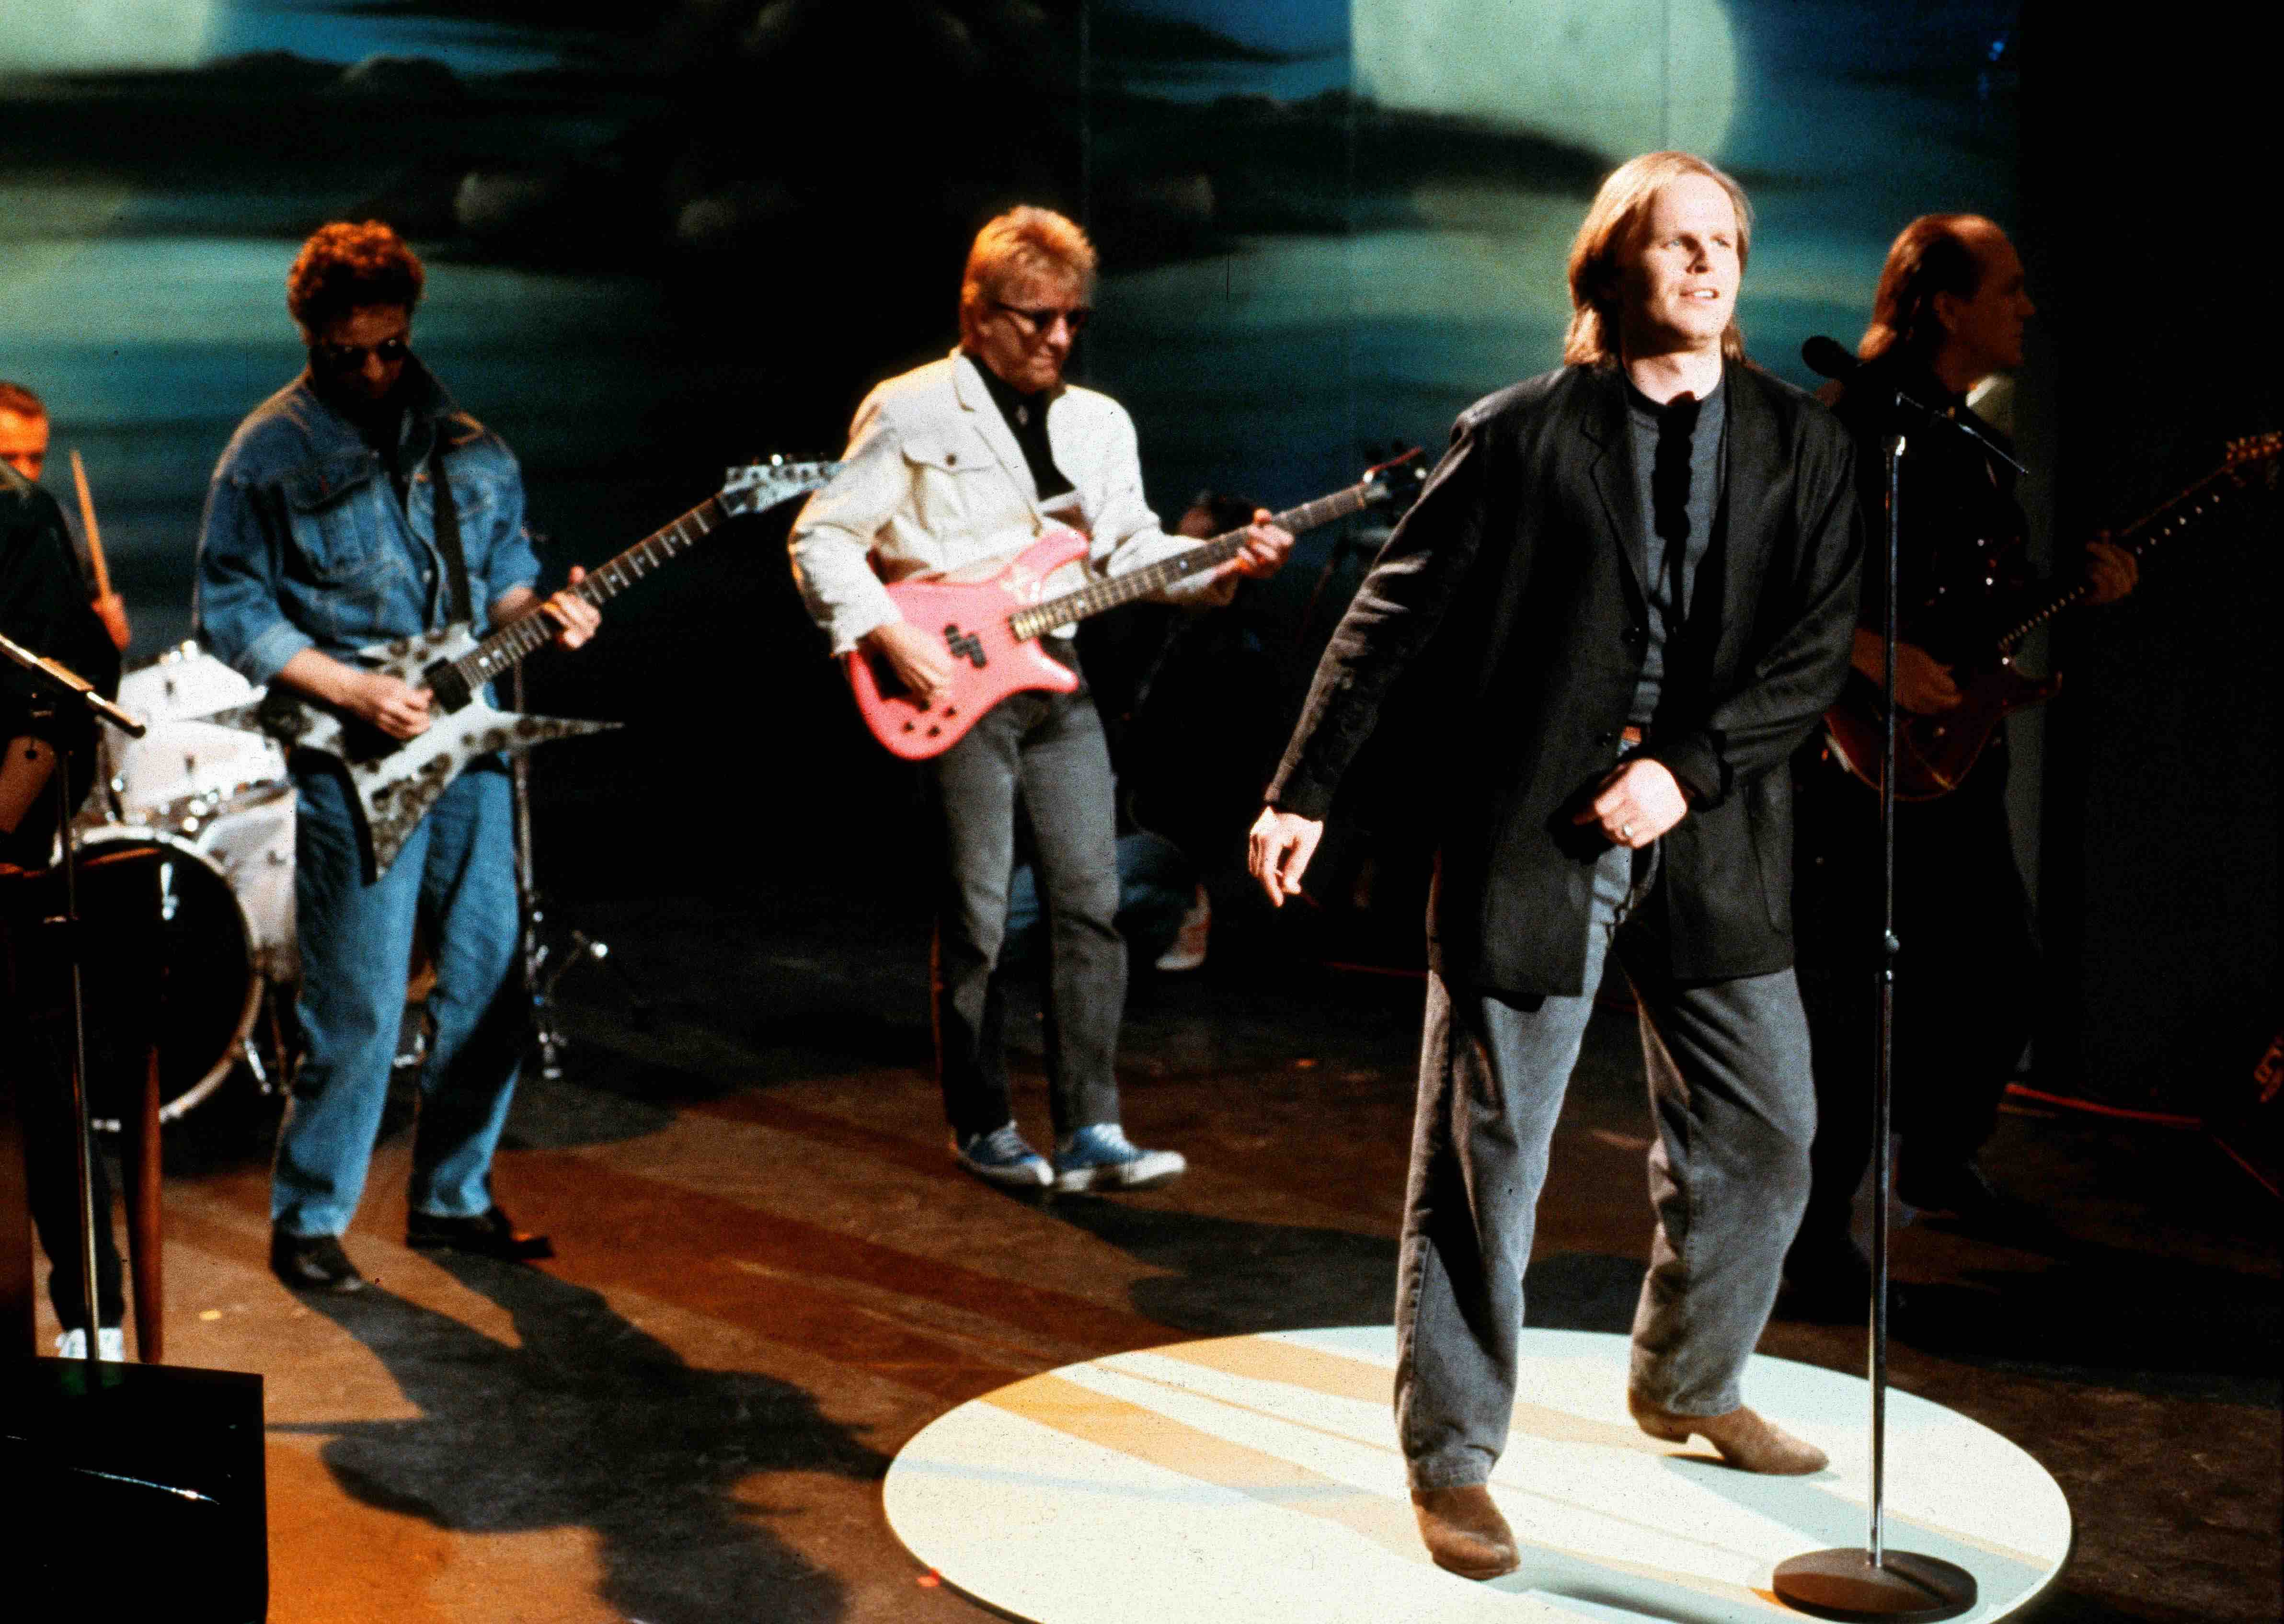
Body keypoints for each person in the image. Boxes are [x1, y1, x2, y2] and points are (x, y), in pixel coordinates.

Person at [1247, 152, 1863, 1580]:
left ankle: (1690, 1379)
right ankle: (1453, 1457)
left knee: (1769, 1131)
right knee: (1487, 1154)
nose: (1705, 265)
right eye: (1675, 242)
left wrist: (1685, 771)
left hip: (1710, 831)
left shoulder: (1801, 444)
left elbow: (1814, 649)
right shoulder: (1521, 432)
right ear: (1610, 266)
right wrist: (1301, 789)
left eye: (1724, 243)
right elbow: (1389, 617)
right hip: (1536, 830)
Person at [789, 206, 1291, 1194]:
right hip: (949, 680)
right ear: (976, 313)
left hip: (1057, 679)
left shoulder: (1098, 423)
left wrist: (1225, 564)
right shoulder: (910, 408)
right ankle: (982, 1122)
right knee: (978, 916)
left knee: (1090, 904)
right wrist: (889, 635)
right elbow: (822, 536)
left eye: (1074, 319)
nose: (1058, 338)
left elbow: (1131, 551)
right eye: (1036, 318)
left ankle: (1092, 1127)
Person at [195, 221, 600, 1293]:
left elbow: (505, 588)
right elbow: (231, 611)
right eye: (347, 354)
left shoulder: (473, 448)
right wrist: (351, 690)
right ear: (311, 337)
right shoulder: (266, 453)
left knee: (491, 979)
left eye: (390, 347)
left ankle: (452, 1198)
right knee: (362, 1001)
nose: (373, 371)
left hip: (470, 748)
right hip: (352, 756)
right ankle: (310, 1218)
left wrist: (549, 616)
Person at [1783, 215, 2136, 1310]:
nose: (2028, 307)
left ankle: (1934, 1161)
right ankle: (1810, 1239)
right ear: (1944, 304)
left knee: (1999, 970)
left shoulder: (1972, 440)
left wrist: (2081, 587)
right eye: (2009, 288)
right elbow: (1771, 578)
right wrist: (1866, 654)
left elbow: (1977, 600)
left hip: (1957, 752)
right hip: (1848, 756)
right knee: (1845, 1008)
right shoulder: (1851, 422)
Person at [0, 442, 129, 1357]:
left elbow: (52, 696)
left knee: (39, 1086)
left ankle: (93, 1326)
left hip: (5, 847)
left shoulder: (15, 515)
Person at [0, 381, 131, 652]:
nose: (26, 474)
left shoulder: (62, 526)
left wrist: (107, 635)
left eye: (36, 458)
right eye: (9, 458)